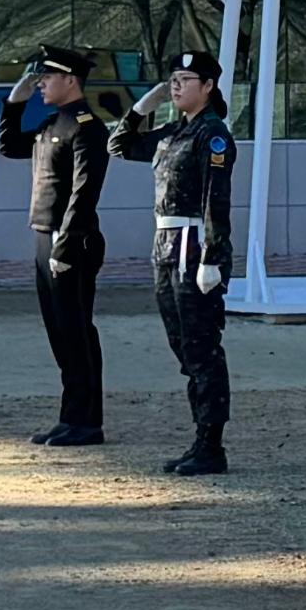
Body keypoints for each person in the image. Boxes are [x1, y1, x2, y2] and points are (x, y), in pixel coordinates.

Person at [113, 48, 238, 475]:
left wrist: (213, 258)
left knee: (203, 349)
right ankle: (199, 438)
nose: (176, 85)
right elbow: (119, 145)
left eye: (186, 79)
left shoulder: (212, 134)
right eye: (174, 79)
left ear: (208, 86)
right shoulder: (170, 133)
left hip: (193, 245)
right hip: (165, 245)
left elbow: (215, 201)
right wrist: (141, 107)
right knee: (183, 347)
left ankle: (211, 444)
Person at [1, 44, 112, 447]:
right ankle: (71, 416)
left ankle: (87, 421)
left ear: (70, 80)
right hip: (45, 236)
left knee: (76, 329)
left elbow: (84, 194)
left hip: (72, 243)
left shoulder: (87, 127)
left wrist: (65, 248)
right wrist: (15, 102)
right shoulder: (53, 123)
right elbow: (12, 144)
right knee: (59, 331)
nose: (41, 83)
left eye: (47, 77)